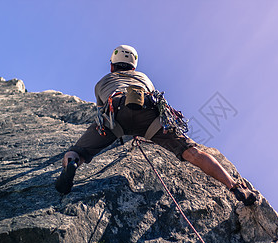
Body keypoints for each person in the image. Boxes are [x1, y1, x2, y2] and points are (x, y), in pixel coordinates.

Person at [55, 45, 258, 206]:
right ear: (133, 67)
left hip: (115, 113)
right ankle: (234, 187)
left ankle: (72, 163)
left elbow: (101, 113)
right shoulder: (143, 78)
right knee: (192, 153)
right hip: (148, 116)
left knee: (78, 151)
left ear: (112, 66)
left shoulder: (102, 82)